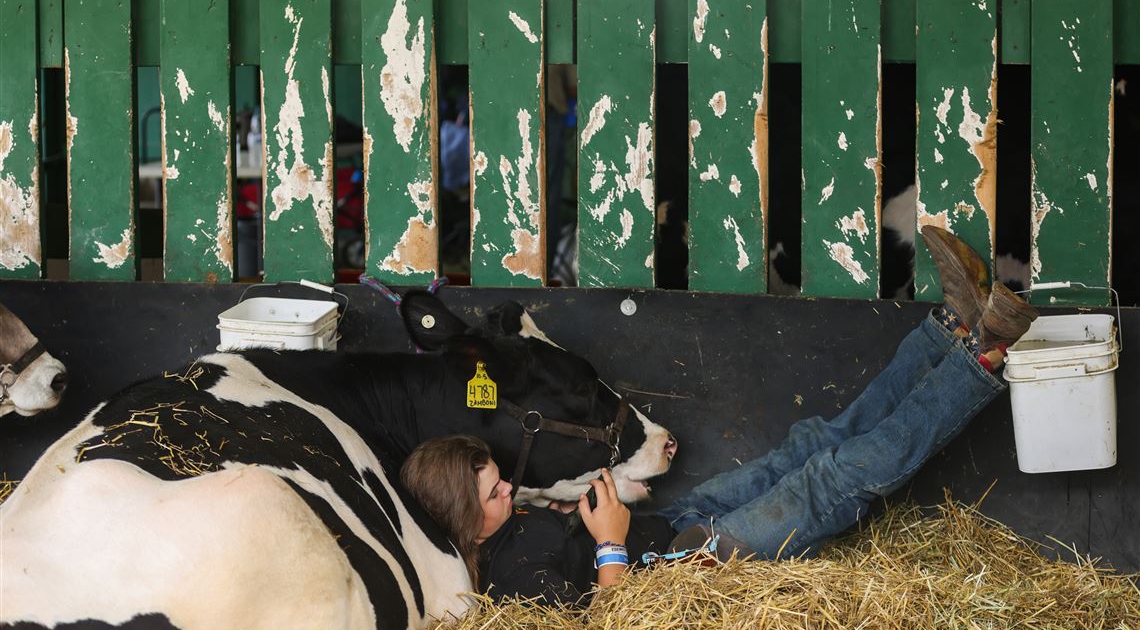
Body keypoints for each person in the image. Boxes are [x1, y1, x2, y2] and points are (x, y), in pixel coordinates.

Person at [401, 226, 1039, 608]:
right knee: (831, 478)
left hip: (678, 530)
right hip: (699, 566)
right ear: (466, 522)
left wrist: (582, 518)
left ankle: (949, 330)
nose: (509, 485)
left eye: (498, 476)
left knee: (808, 445)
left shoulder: (512, 529)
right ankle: (983, 358)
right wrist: (610, 541)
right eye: (493, 490)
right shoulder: (511, 579)